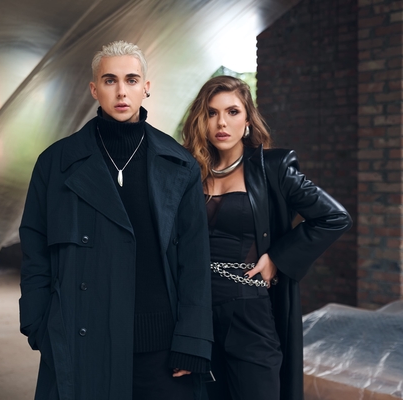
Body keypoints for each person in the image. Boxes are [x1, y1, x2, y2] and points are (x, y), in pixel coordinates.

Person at [18, 41, 213, 400]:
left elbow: (195, 261)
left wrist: (193, 340)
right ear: (94, 89)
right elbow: (34, 250)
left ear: (146, 87)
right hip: (83, 336)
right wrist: (38, 325)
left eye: (131, 80)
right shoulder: (55, 163)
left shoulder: (179, 164)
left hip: (162, 345)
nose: (121, 91)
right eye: (110, 80)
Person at [182, 75, 352, 400]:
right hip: (196, 314)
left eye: (232, 112)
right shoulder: (188, 172)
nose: (221, 123)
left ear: (248, 119)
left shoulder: (272, 167)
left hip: (248, 312)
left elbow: (334, 217)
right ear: (201, 120)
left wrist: (277, 257)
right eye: (212, 113)